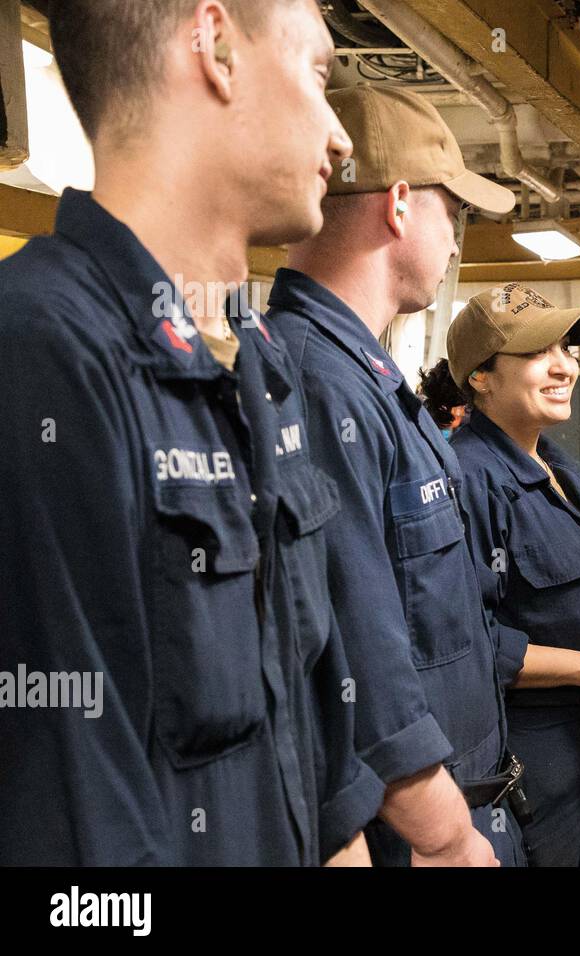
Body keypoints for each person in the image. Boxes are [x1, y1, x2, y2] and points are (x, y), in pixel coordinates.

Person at [0, 0, 386, 865]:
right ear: (215, 46)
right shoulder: (42, 353)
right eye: (319, 74)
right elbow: (75, 844)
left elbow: (313, 747)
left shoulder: (256, 363)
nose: (339, 137)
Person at [266, 85, 520, 866]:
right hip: (413, 833)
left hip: (463, 800)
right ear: (401, 205)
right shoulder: (316, 381)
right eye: (454, 216)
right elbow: (352, 649)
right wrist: (446, 838)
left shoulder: (365, 377)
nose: (454, 247)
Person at [420, 285, 580, 867]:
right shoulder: (469, 480)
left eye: (567, 350)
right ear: (480, 376)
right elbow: (466, 641)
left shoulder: (556, 464)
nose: (564, 368)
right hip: (522, 766)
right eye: (536, 354)